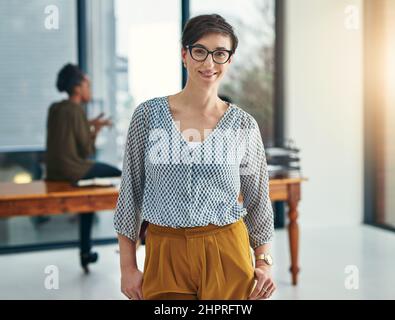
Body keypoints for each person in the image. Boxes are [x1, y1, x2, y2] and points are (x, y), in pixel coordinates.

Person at [114, 14, 276, 300]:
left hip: (227, 250)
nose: (209, 63)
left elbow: (258, 200)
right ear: (184, 54)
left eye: (220, 53)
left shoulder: (243, 125)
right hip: (166, 251)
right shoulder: (147, 116)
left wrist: (263, 262)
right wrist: (128, 267)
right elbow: (130, 195)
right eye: (200, 51)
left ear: (230, 60)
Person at [46, 63, 122, 273]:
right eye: (87, 85)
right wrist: (95, 129)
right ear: (78, 88)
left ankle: (86, 253)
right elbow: (85, 150)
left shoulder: (55, 109)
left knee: (88, 198)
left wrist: (88, 124)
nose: (90, 89)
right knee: (121, 176)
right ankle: (134, 241)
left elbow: (67, 131)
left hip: (55, 172)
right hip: (74, 170)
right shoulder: (76, 110)